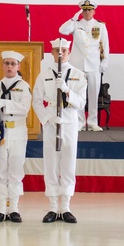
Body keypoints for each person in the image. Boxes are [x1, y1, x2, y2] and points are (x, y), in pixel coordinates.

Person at [32, 38, 88, 224]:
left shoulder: (78, 75)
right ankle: (53, 206)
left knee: (68, 162)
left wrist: (66, 91)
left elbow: (81, 102)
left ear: (69, 52)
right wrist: (47, 118)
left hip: (70, 119)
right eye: (57, 50)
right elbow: (37, 100)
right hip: (51, 120)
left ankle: (65, 206)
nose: (61, 53)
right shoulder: (44, 75)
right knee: (51, 163)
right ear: (51, 53)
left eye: (64, 50)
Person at [0, 51, 32, 223]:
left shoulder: (24, 86)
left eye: (13, 64)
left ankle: (14, 208)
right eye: (6, 63)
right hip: (1, 132)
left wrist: (5, 103)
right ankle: (0, 209)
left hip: (18, 132)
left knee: (15, 171)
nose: (9, 67)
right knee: (1, 171)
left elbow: (24, 108)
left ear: (18, 66)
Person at [59, 0, 109, 131]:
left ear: (94, 11)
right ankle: (80, 122)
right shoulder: (76, 24)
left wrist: (104, 63)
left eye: (89, 10)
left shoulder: (100, 26)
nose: (87, 12)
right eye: (84, 10)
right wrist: (73, 18)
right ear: (81, 11)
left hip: (94, 65)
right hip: (77, 65)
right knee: (77, 94)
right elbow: (62, 30)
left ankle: (93, 122)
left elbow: (105, 45)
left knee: (93, 94)